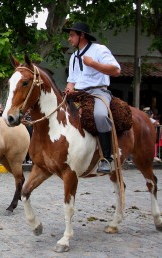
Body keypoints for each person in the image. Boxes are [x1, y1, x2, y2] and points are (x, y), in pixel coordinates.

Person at [63, 22, 121, 173]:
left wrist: (93, 64)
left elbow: (116, 70)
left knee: (100, 116)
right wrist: (69, 88)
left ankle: (107, 158)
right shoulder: (74, 57)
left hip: (98, 92)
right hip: (79, 94)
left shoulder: (99, 50)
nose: (69, 39)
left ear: (82, 35)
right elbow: (72, 79)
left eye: (71, 35)